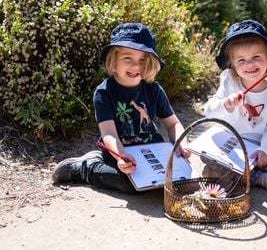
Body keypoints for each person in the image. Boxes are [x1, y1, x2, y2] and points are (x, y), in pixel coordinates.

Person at [52, 22, 190, 193]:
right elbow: (109, 133)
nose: (135, 66)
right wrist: (120, 156)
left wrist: (180, 141)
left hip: (151, 151)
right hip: (120, 153)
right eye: (127, 58)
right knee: (131, 184)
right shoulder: (105, 92)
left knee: (178, 180)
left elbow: (173, 124)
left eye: (142, 60)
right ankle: (86, 168)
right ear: (113, 59)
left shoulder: (153, 89)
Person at [203, 20, 267, 192]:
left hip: (257, 150)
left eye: (256, 57)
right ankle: (261, 178)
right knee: (206, 151)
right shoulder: (229, 82)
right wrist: (225, 105)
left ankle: (237, 175)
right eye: (241, 60)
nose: (249, 64)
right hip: (232, 147)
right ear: (232, 63)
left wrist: (265, 151)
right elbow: (209, 111)